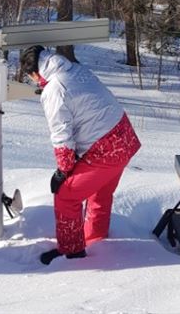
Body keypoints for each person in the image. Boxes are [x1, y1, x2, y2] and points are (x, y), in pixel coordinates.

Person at [19, 45, 141, 265]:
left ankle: (72, 253)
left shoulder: (54, 90)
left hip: (106, 150)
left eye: (31, 78)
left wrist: (63, 171)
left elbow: (61, 135)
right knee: (100, 193)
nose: (33, 82)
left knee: (67, 194)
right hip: (125, 137)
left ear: (36, 73)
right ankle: (96, 238)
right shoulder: (75, 70)